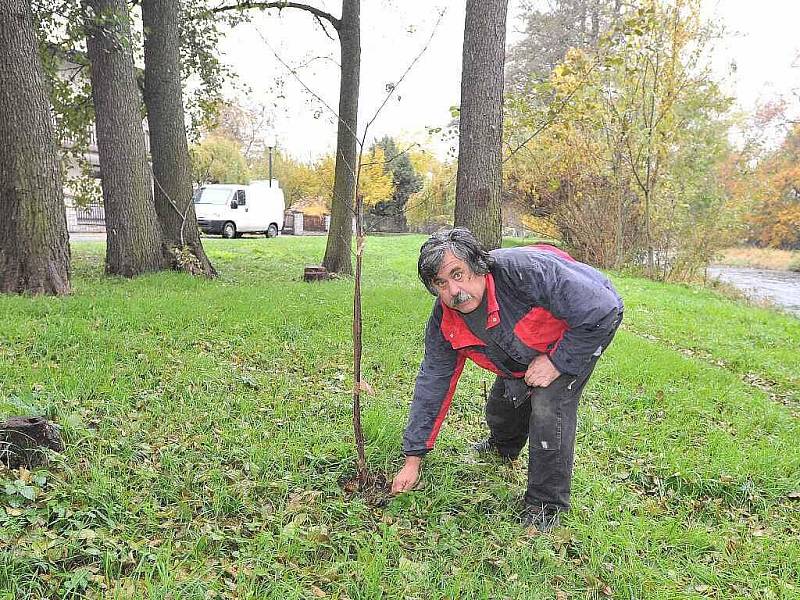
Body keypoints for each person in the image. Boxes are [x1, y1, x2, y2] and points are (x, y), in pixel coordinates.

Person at [391, 228, 623, 531]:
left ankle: (546, 506)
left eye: (458, 274)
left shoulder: (526, 273)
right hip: (518, 352)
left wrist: (557, 361)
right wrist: (413, 458)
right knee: (502, 407)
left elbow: (604, 309)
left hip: (580, 329)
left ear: (477, 264)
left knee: (548, 406)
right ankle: (503, 448)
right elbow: (433, 383)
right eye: (441, 283)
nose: (453, 291)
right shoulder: (445, 321)